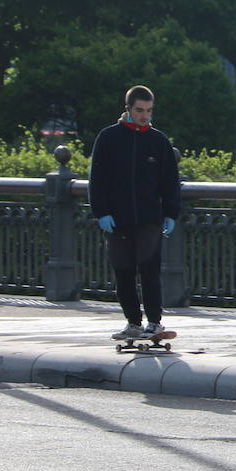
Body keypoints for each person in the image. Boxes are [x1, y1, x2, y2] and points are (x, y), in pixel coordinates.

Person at [89, 85, 182, 340]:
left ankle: (154, 322)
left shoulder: (158, 141)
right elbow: (97, 179)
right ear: (128, 109)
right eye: (140, 110)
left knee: (150, 270)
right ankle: (133, 322)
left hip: (149, 217)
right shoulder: (108, 138)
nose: (145, 116)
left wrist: (171, 213)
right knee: (123, 272)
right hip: (117, 218)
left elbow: (170, 182)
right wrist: (101, 212)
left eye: (149, 110)